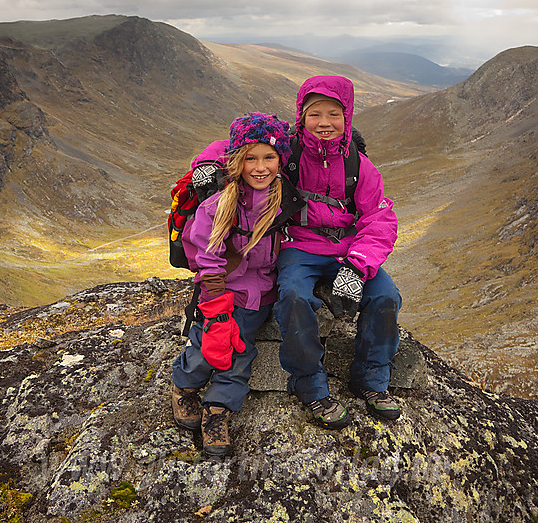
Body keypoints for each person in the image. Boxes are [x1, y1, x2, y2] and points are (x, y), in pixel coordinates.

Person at [274, 75, 402, 428]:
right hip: (298, 245)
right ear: (301, 115)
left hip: (348, 249)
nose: (325, 123)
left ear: (347, 117)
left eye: (334, 114)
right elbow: (235, 145)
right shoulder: (287, 152)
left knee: (386, 297)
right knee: (294, 298)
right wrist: (206, 165)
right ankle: (311, 386)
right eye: (315, 114)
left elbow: (379, 219)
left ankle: (371, 382)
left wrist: (357, 267)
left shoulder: (359, 165)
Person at [172, 112, 292, 458]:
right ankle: (184, 386)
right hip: (222, 292)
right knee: (206, 347)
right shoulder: (217, 204)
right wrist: (215, 304)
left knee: (241, 354)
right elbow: (205, 255)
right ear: (235, 161)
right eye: (249, 158)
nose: (260, 167)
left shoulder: (285, 199)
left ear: (281, 160)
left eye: (269, 157)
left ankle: (217, 411)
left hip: (262, 294)